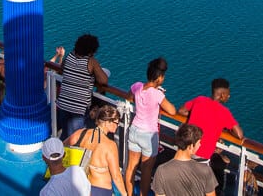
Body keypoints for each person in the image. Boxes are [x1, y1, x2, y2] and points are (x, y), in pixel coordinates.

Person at [178, 78, 244, 194]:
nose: (229, 96)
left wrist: (196, 115)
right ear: (222, 95)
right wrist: (224, 127)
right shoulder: (224, 112)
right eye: (228, 94)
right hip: (201, 160)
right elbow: (239, 134)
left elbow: (182, 111)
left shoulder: (199, 100)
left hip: (185, 154)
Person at [124, 57, 177, 196]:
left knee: (131, 166)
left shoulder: (137, 86)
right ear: (159, 78)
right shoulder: (157, 94)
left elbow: (129, 97)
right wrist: (160, 97)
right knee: (146, 170)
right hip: (148, 135)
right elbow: (172, 110)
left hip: (134, 129)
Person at [64, 105, 127, 196]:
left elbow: (62, 147)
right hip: (100, 190)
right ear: (106, 122)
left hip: (80, 186)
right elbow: (116, 176)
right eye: (116, 122)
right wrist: (125, 194)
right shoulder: (110, 145)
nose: (117, 125)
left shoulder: (81, 133)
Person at [57, 34, 109, 140]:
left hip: (63, 103)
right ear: (91, 51)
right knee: (77, 138)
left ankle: (62, 153)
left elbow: (62, 69)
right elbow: (103, 80)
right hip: (78, 108)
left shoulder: (70, 56)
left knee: (65, 134)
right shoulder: (91, 62)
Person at [151, 124, 216, 196]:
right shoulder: (205, 170)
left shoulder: (161, 170)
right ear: (191, 146)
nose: (200, 145)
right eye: (199, 143)